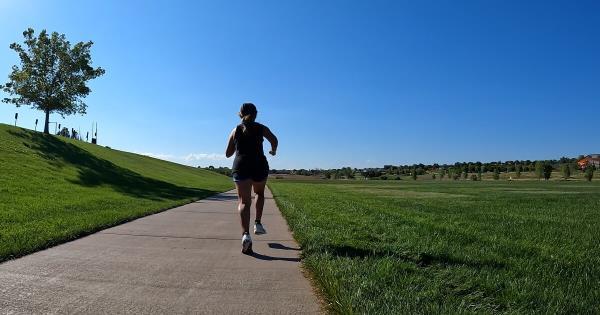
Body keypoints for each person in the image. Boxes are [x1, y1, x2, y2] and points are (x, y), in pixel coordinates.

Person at [225, 103, 278, 254]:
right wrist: (273, 151)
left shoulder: (236, 130)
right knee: (259, 194)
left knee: (243, 202)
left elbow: (228, 153)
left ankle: (245, 236)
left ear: (240, 114)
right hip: (259, 165)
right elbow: (274, 140)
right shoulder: (261, 128)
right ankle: (258, 223)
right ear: (256, 114)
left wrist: (238, 145)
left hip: (241, 165)